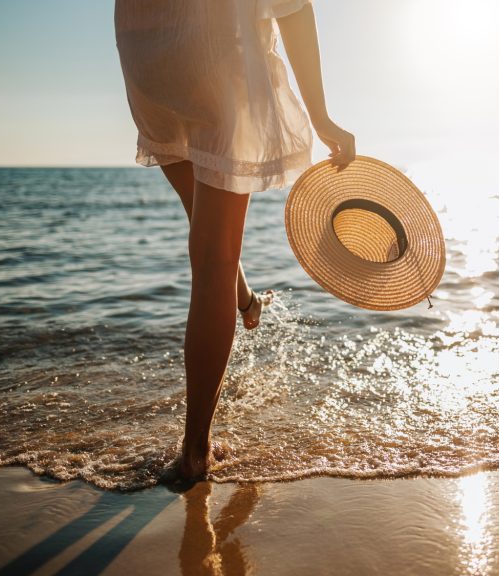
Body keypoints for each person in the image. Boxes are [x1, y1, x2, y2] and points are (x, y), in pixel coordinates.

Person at [115, 0, 355, 480]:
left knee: (204, 231)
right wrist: (321, 115)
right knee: (213, 261)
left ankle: (244, 297)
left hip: (150, 56)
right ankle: (196, 451)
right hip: (215, 54)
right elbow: (294, 7)